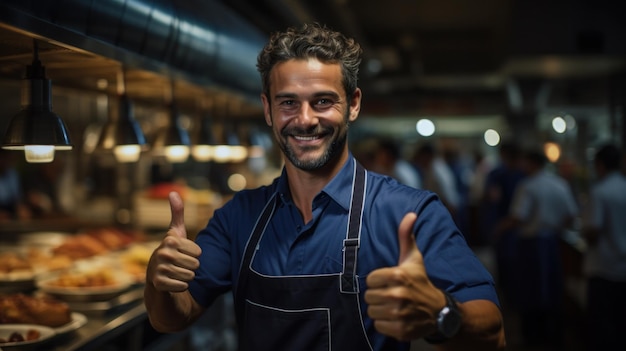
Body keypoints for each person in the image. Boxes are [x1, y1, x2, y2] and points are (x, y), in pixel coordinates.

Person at [144, 22, 505, 351]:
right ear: (268, 110)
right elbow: (172, 317)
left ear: (353, 105)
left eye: (323, 101)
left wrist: (441, 312)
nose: (304, 119)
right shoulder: (237, 217)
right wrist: (158, 281)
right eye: (288, 103)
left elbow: (493, 333)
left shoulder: (409, 212)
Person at [495, 147, 578, 349]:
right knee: (552, 289)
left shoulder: (527, 186)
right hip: (553, 242)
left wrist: (499, 228)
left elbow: (517, 217)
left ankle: (532, 338)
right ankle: (553, 336)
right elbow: (571, 215)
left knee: (530, 290)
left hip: (531, 244)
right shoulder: (559, 184)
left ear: (532, 163)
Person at [581, 143, 626, 351]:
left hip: (603, 267)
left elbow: (593, 231)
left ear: (599, 164)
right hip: (622, 267)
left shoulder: (600, 191)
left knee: (602, 328)